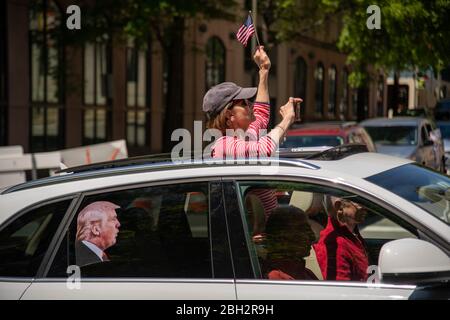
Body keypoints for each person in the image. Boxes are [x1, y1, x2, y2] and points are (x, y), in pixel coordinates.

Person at [203, 46, 301, 219]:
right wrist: (287, 119)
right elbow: (263, 149)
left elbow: (262, 114)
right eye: (244, 103)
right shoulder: (223, 146)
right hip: (253, 241)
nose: (250, 106)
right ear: (229, 115)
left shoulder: (243, 138)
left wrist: (263, 70)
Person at [313, 197, 369, 282]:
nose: (366, 207)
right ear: (339, 207)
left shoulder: (352, 234)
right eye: (360, 202)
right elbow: (341, 290)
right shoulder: (335, 244)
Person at [262, 206, 317, 280]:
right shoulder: (276, 278)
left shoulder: (306, 273)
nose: (312, 237)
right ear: (281, 237)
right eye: (304, 229)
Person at [75, 201, 121, 267]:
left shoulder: (84, 254)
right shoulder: (87, 261)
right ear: (96, 229)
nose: (118, 224)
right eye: (113, 219)